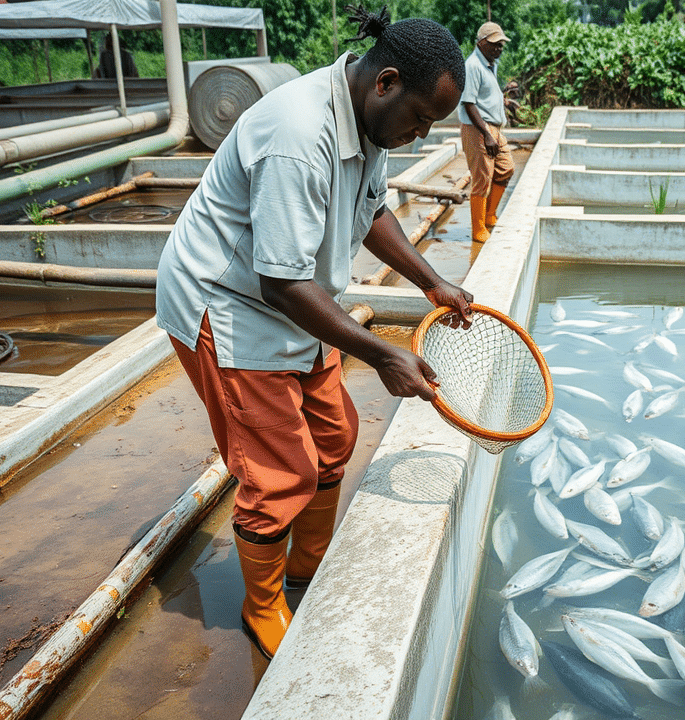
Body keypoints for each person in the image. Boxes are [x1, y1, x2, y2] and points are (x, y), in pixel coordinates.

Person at [154, 5, 472, 660]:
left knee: (334, 436)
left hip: (294, 296)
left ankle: (307, 563)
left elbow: (371, 210)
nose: (419, 135)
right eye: (419, 119)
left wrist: (431, 282)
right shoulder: (298, 134)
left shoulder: (369, 123)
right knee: (279, 472)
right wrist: (383, 354)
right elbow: (278, 281)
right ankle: (263, 605)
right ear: (385, 83)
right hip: (230, 305)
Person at [458, 21, 514, 243]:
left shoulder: (490, 64)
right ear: (481, 43)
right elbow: (468, 103)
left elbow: (484, 96)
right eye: (494, 44)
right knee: (482, 178)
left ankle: (490, 214)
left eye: (501, 44)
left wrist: (502, 98)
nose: (499, 48)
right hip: (478, 128)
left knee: (505, 169)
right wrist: (487, 135)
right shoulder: (472, 66)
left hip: (493, 127)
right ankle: (478, 228)